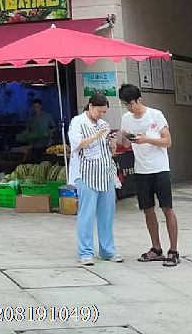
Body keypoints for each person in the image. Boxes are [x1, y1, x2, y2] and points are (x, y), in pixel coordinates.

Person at [119, 84, 179, 267]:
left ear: (139, 100)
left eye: (131, 103)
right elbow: (126, 145)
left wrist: (147, 139)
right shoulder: (126, 119)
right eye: (125, 104)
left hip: (160, 168)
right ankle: (156, 248)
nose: (129, 108)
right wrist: (126, 137)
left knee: (167, 208)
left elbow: (167, 141)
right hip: (141, 170)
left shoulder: (155, 115)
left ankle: (173, 250)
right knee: (147, 209)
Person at [69, 95, 122, 266]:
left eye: (104, 112)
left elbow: (110, 151)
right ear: (90, 106)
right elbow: (76, 143)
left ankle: (107, 249)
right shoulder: (78, 122)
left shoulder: (104, 124)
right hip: (86, 174)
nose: (101, 115)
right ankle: (85, 252)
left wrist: (112, 143)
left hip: (105, 173)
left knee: (107, 214)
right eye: (99, 111)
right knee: (87, 214)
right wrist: (96, 135)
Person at [25, 99, 57, 163]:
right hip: (34, 145)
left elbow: (54, 127)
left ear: (40, 106)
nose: (36, 109)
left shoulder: (47, 116)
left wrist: (51, 132)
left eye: (37, 107)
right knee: (36, 163)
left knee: (46, 162)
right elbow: (28, 130)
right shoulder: (30, 118)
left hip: (46, 143)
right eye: (34, 107)